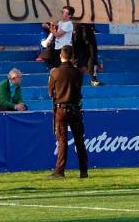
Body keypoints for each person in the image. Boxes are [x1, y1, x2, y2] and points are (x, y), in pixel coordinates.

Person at [48, 45, 88, 179]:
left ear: (61, 55)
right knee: (79, 141)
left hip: (61, 109)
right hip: (75, 108)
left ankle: (60, 170)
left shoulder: (55, 72)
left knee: (62, 141)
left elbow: (50, 93)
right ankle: (83, 170)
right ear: (71, 56)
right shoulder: (78, 72)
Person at [73, 22, 103, 87]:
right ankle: (74, 79)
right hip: (77, 28)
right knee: (76, 55)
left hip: (87, 29)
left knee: (92, 55)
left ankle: (93, 79)